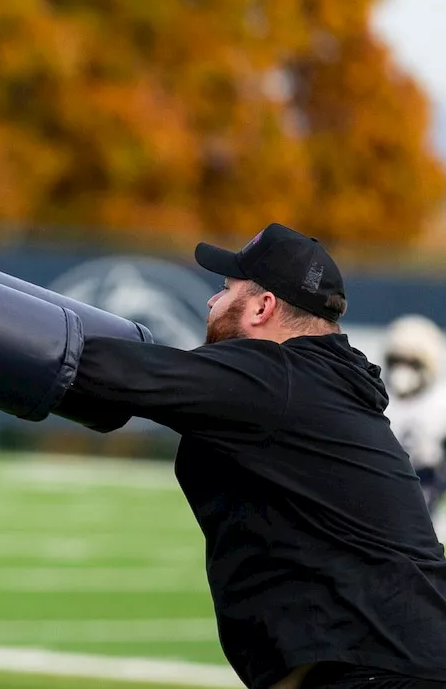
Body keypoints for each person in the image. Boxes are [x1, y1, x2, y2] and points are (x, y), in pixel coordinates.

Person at [51, 223, 446, 688]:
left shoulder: (277, 375)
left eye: (224, 289)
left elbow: (100, 370)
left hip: (383, 672)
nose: (211, 302)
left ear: (263, 306)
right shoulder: (315, 379)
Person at [383, 314, 446, 534]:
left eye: (411, 362)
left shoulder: (440, 404)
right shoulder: (378, 398)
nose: (403, 371)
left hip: (428, 493)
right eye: (397, 361)